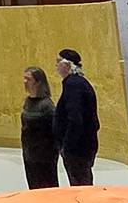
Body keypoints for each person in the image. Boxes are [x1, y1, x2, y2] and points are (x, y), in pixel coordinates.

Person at [53, 49, 99, 186]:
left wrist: (67, 146)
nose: (56, 66)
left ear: (66, 65)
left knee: (80, 184)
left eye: (58, 62)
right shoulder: (77, 83)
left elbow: (75, 118)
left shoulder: (73, 85)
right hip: (83, 145)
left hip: (77, 148)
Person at [19, 67, 58, 189]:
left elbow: (54, 131)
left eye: (28, 79)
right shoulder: (28, 101)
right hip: (29, 153)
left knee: (47, 186)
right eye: (24, 78)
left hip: (44, 156)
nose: (25, 82)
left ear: (38, 82)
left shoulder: (46, 105)